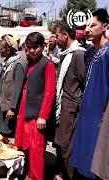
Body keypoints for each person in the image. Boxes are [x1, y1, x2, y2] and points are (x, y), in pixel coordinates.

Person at [70, 8, 109, 179]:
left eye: (93, 25)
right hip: (86, 113)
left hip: (101, 117)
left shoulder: (107, 53)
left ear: (105, 26)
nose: (87, 29)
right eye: (86, 26)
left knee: (97, 162)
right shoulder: (90, 53)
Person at [14, 32, 56, 180]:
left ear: (42, 47)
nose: (32, 51)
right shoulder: (29, 63)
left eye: (35, 47)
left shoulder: (48, 64)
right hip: (25, 113)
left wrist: (43, 116)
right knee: (25, 148)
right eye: (29, 47)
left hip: (37, 116)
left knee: (36, 150)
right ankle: (28, 175)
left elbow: (49, 93)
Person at [52, 23, 86, 179]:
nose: (55, 38)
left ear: (65, 35)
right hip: (62, 106)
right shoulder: (66, 54)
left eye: (57, 35)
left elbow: (84, 82)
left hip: (71, 108)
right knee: (60, 143)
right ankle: (61, 174)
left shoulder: (79, 54)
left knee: (67, 145)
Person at [0, 34, 23, 136]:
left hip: (9, 107)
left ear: (8, 50)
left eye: (1, 48)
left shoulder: (17, 63)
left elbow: (17, 88)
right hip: (2, 103)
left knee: (7, 133)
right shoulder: (7, 63)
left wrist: (12, 108)